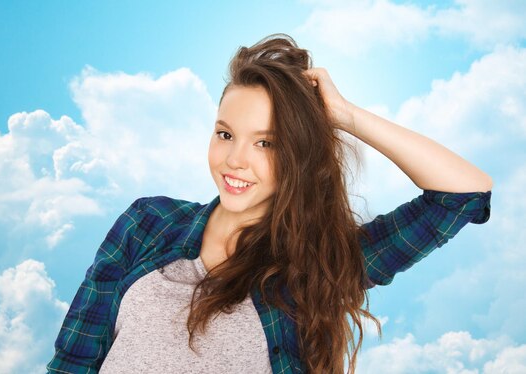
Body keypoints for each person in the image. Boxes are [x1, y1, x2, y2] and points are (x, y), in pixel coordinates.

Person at [46, 34, 492, 374]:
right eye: (225, 134)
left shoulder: (322, 264)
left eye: (266, 142)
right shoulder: (147, 222)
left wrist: (345, 116)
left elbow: (463, 194)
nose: (235, 160)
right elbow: (73, 361)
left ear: (299, 156)